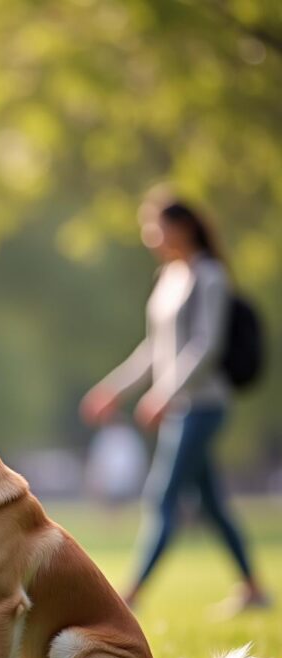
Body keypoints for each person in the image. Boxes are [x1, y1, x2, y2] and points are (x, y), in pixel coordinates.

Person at [80, 198, 270, 612]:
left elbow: (206, 344)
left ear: (182, 227)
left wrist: (165, 393)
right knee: (211, 504)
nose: (151, 236)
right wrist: (113, 389)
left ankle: (129, 595)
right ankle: (254, 589)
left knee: (161, 496)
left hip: (203, 404)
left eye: (156, 226)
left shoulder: (210, 276)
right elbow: (153, 349)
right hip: (180, 403)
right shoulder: (168, 277)